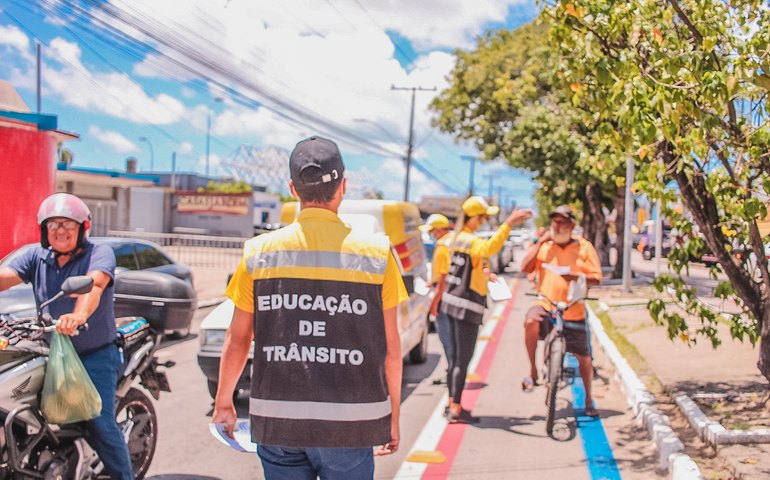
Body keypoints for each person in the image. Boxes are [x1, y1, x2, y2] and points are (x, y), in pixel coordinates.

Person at [212, 136, 408, 479]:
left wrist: (223, 401)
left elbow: (239, 339)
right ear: (343, 186)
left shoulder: (259, 252)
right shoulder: (376, 254)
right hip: (352, 422)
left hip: (279, 422)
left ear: (292, 187)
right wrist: (392, 416)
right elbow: (390, 348)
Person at [0, 193, 133, 480]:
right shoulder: (36, 256)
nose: (60, 230)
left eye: (68, 224)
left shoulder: (99, 253)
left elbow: (95, 286)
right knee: (23, 407)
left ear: (83, 228)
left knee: (99, 421)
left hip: (94, 354)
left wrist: (77, 317)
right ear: (44, 230)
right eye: (53, 224)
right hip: (51, 351)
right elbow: (5, 277)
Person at [441, 196, 532, 424]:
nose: (484, 222)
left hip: (451, 303)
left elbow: (468, 267)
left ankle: (451, 402)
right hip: (466, 306)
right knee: (463, 360)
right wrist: (509, 223)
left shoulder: (456, 239)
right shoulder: (470, 241)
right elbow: (490, 247)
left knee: (454, 360)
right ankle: (455, 408)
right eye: (483, 217)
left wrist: (485, 276)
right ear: (476, 218)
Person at [520, 205, 602, 417]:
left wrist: (575, 276)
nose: (558, 226)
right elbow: (525, 267)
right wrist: (540, 242)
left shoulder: (584, 247)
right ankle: (533, 369)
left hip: (573, 308)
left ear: (572, 225)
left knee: (584, 358)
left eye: (563, 222)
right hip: (547, 305)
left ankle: (588, 398)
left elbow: (597, 277)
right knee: (530, 321)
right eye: (555, 222)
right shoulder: (546, 247)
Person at [420, 213, 454, 387]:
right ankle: (453, 373)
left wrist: (435, 303)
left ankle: (452, 375)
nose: (432, 234)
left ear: (440, 229)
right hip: (453, 297)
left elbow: (443, 276)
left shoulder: (442, 246)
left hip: (444, 299)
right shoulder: (453, 241)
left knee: (447, 339)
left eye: (433, 231)